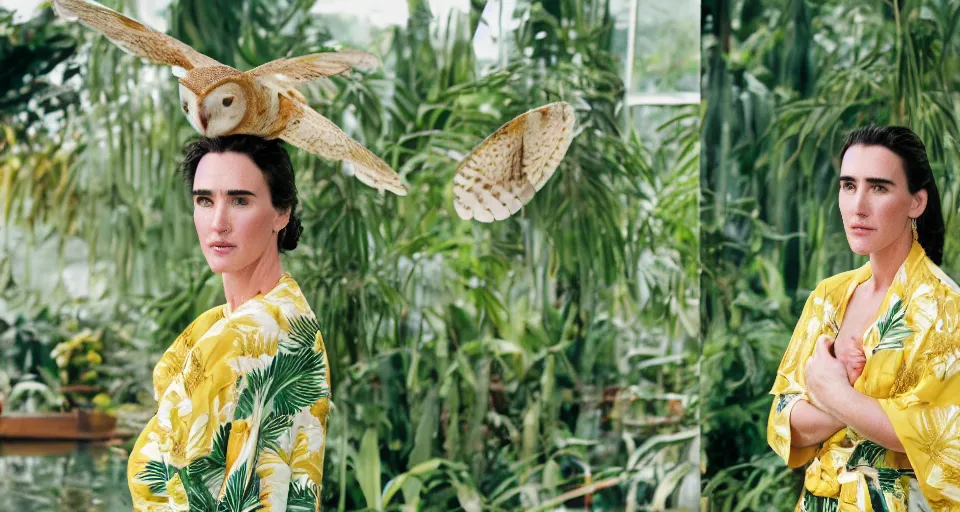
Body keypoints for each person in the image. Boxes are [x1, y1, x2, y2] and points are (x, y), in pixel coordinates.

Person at [126, 134, 331, 510]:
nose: (217, 222)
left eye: (239, 200)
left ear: (281, 212)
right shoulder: (289, 316)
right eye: (205, 200)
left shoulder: (248, 334)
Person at [767, 125, 960, 510]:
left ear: (916, 202)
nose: (858, 206)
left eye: (879, 187)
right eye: (848, 185)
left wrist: (831, 390)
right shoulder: (828, 297)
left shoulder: (947, 310)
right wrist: (847, 398)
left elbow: (935, 438)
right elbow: (784, 422)